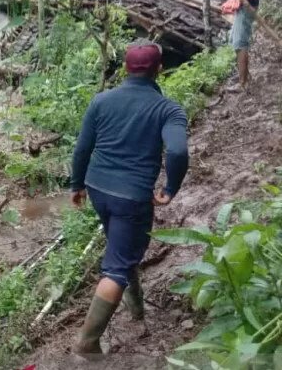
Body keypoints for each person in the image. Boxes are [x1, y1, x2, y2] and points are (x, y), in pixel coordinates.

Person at [69, 40, 189, 356]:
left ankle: (136, 309)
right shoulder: (168, 109)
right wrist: (170, 188)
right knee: (117, 267)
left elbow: (82, 148)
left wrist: (76, 185)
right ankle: (88, 343)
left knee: (122, 248)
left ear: (124, 68)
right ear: (159, 70)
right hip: (131, 196)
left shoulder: (101, 100)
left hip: (97, 188)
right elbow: (177, 150)